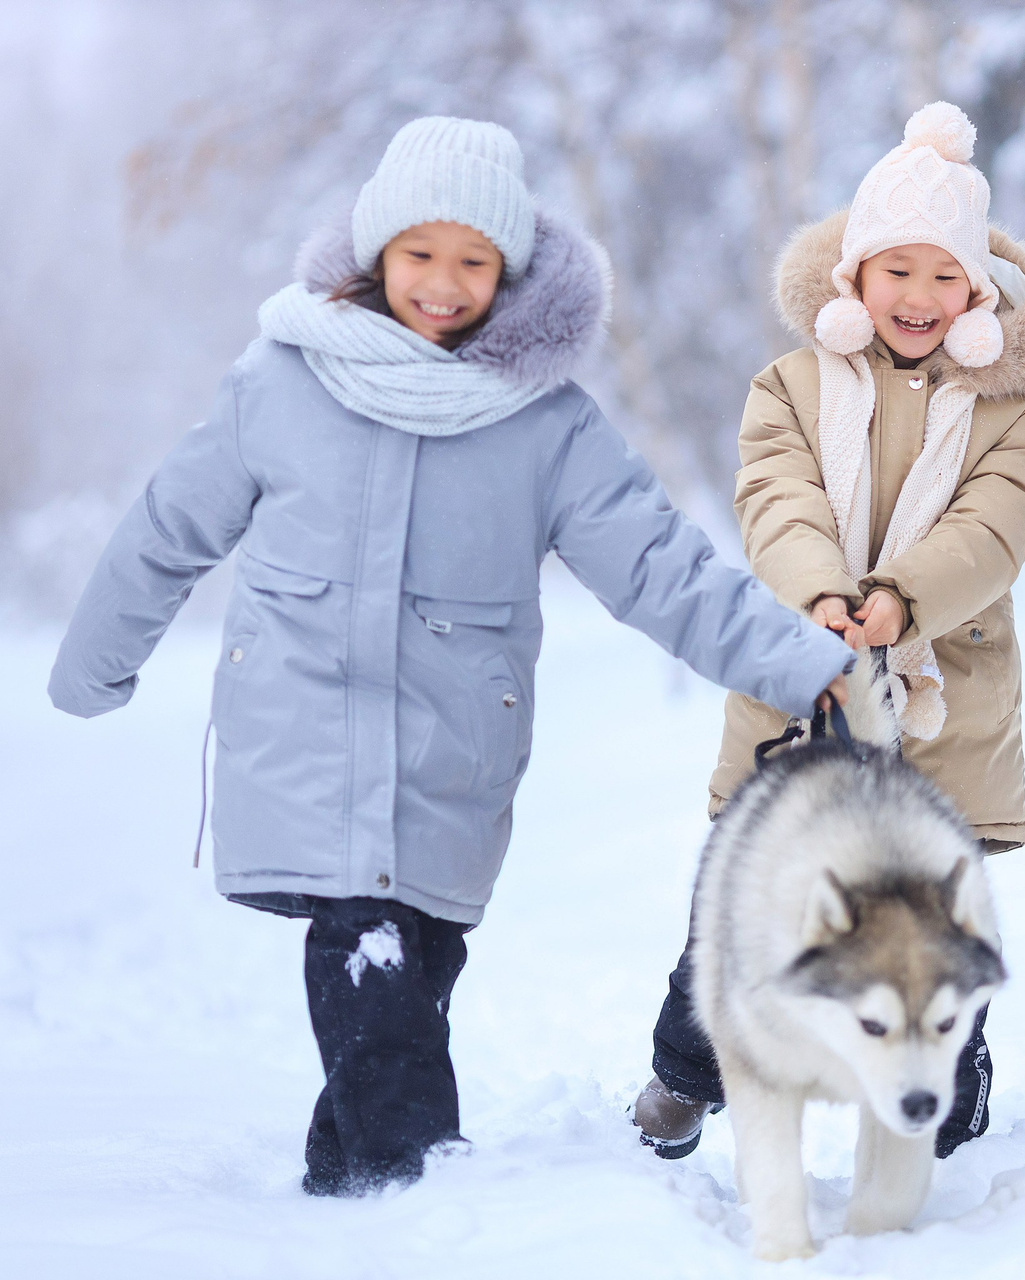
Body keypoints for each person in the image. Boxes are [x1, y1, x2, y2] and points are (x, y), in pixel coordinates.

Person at [46, 118, 858, 1196]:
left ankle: (344, 1193)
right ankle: (423, 1198)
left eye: (473, 260)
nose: (443, 281)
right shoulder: (281, 377)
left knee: (410, 980)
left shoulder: (547, 421)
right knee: (368, 958)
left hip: (451, 753)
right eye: (421, 252)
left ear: (509, 272)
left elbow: (660, 566)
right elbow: (169, 526)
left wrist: (801, 661)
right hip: (301, 732)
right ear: (376, 250)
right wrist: (95, 662)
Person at [632, 103, 1025, 1160]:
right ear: (854, 279)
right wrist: (822, 598)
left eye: (943, 276)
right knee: (746, 897)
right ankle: (688, 1071)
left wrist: (902, 597)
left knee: (928, 912)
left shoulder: (1012, 408)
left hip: (943, 700)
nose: (919, 297)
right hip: (799, 678)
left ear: (976, 290)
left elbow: (998, 523)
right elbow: (775, 497)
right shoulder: (786, 387)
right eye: (897, 272)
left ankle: (944, 1086)